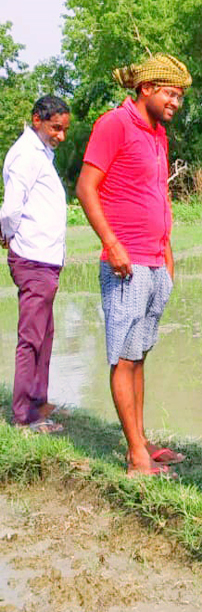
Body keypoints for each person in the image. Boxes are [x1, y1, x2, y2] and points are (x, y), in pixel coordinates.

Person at [75, 54, 191, 476]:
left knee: (139, 354)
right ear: (146, 89)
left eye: (179, 95)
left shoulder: (158, 134)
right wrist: (111, 243)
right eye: (170, 93)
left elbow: (158, 195)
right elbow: (87, 187)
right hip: (125, 264)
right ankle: (135, 456)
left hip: (155, 261)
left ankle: (141, 441)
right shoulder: (114, 124)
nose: (176, 102)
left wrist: (168, 254)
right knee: (123, 358)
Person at [0, 95, 71, 433]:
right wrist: (8, 235)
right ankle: (24, 416)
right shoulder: (26, 156)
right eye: (56, 128)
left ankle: (38, 402)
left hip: (44, 258)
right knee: (31, 336)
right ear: (37, 120)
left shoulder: (40, 153)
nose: (61, 135)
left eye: (65, 129)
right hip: (33, 258)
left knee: (45, 332)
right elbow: (11, 209)